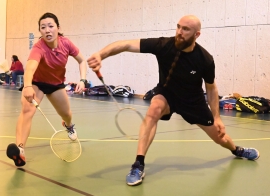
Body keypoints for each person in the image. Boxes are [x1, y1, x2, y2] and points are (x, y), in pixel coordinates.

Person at [87, 15, 260, 186]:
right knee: (153, 110)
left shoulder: (205, 59)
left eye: (185, 29)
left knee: (219, 137)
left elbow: (211, 87)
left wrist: (217, 117)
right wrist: (101, 55)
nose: (179, 32)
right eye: (178, 27)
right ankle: (138, 164)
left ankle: (237, 150)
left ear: (196, 35)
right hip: (167, 94)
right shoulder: (163, 45)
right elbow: (124, 44)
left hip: (193, 102)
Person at [6, 12, 87, 167]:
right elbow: (30, 68)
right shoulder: (38, 47)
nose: (47, 30)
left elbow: (82, 60)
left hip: (56, 84)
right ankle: (20, 150)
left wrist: (83, 80)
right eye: (43, 27)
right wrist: (28, 86)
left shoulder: (66, 43)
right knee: (27, 110)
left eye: (51, 26)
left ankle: (68, 126)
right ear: (40, 31)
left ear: (58, 28)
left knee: (67, 114)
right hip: (37, 83)